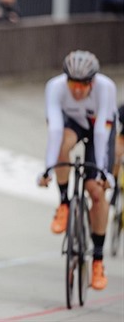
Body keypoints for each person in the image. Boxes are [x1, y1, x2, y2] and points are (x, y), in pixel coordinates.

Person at [38, 50, 118, 290]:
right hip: (72, 124)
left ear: (93, 81)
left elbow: (103, 134)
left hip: (100, 129)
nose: (78, 90)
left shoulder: (106, 88)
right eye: (73, 83)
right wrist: (48, 170)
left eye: (84, 84)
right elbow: (53, 132)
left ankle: (98, 259)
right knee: (63, 144)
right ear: (66, 80)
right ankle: (64, 203)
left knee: (95, 191)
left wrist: (104, 172)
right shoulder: (55, 87)